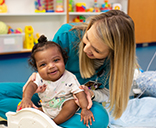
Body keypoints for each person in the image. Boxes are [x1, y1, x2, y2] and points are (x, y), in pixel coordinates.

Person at [0, 10, 136, 128]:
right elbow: (46, 60)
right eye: (87, 38)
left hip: (72, 103)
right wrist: (35, 80)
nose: (86, 49)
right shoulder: (67, 35)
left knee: (100, 119)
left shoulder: (115, 65)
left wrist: (91, 94)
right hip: (46, 93)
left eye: (96, 50)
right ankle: (38, 115)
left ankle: (36, 117)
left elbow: (107, 93)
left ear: (113, 53)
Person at [17, 35, 94, 126]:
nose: (51, 66)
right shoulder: (39, 78)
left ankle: (53, 124)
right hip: (46, 108)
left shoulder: (69, 77)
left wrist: (85, 109)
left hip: (63, 107)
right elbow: (31, 86)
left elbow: (80, 93)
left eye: (56, 60)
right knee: (30, 112)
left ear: (64, 60)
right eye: (43, 65)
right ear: (37, 68)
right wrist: (26, 98)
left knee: (72, 104)